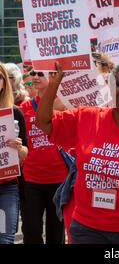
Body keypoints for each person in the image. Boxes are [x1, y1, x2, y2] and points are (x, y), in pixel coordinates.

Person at [35, 60, 119, 244]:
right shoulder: (87, 117)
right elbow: (43, 123)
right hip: (88, 228)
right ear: (111, 89)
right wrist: (54, 85)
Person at [20, 70, 68, 244]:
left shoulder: (64, 105)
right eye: (33, 73)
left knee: (56, 234)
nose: (35, 77)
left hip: (60, 179)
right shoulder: (24, 109)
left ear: (53, 76)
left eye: (41, 73)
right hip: (31, 179)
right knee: (31, 232)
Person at [0, 62, 28, 244]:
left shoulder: (14, 112)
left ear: (4, 82)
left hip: (6, 187)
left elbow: (25, 152)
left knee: (4, 238)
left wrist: (19, 149)